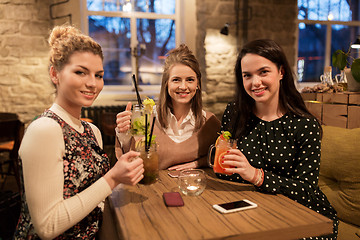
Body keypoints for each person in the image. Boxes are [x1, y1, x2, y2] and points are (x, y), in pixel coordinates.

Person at [14, 25, 144, 239]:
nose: (92, 83)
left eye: (99, 75)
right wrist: (113, 178)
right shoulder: (44, 130)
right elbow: (47, 227)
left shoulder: (92, 130)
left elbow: (95, 201)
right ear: (55, 74)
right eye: (80, 72)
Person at [218, 39, 338, 239]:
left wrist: (257, 175)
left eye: (263, 72)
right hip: (253, 208)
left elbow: (306, 190)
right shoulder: (234, 113)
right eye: (247, 75)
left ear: (281, 72)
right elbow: (224, 169)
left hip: (304, 215)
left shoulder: (305, 125)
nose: (255, 82)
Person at [115, 44, 220, 170]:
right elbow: (129, 158)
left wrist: (197, 163)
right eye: (176, 80)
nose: (183, 86)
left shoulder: (209, 122)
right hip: (152, 187)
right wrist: (124, 134)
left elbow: (220, 155)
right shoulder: (147, 118)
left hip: (192, 187)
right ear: (166, 84)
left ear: (198, 84)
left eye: (190, 80)